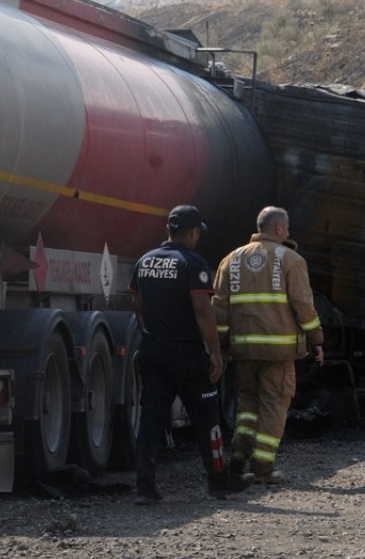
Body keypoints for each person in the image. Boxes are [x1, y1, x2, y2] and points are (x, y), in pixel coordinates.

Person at [128, 204, 253, 505]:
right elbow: (202, 309)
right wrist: (214, 351)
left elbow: (138, 303)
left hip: (153, 352)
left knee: (151, 421)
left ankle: (145, 488)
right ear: (194, 232)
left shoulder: (144, 261)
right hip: (186, 355)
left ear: (167, 230)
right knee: (207, 419)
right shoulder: (192, 263)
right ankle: (219, 482)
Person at [213, 206, 324, 485]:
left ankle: (238, 457)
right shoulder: (291, 259)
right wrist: (317, 340)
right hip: (279, 351)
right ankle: (263, 467)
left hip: (243, 350)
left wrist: (223, 345)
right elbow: (303, 307)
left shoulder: (230, 261)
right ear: (278, 229)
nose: (288, 232)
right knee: (274, 405)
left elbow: (220, 310)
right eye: (286, 228)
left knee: (248, 403)